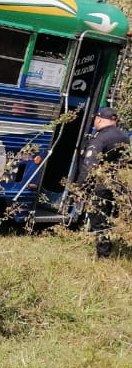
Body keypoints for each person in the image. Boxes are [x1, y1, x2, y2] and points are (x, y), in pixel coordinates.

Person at [76, 107, 128, 258]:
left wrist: (80, 187)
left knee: (98, 219)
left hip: (100, 186)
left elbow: (89, 165)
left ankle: (103, 255)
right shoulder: (123, 136)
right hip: (118, 184)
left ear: (98, 119)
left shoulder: (100, 138)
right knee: (109, 217)